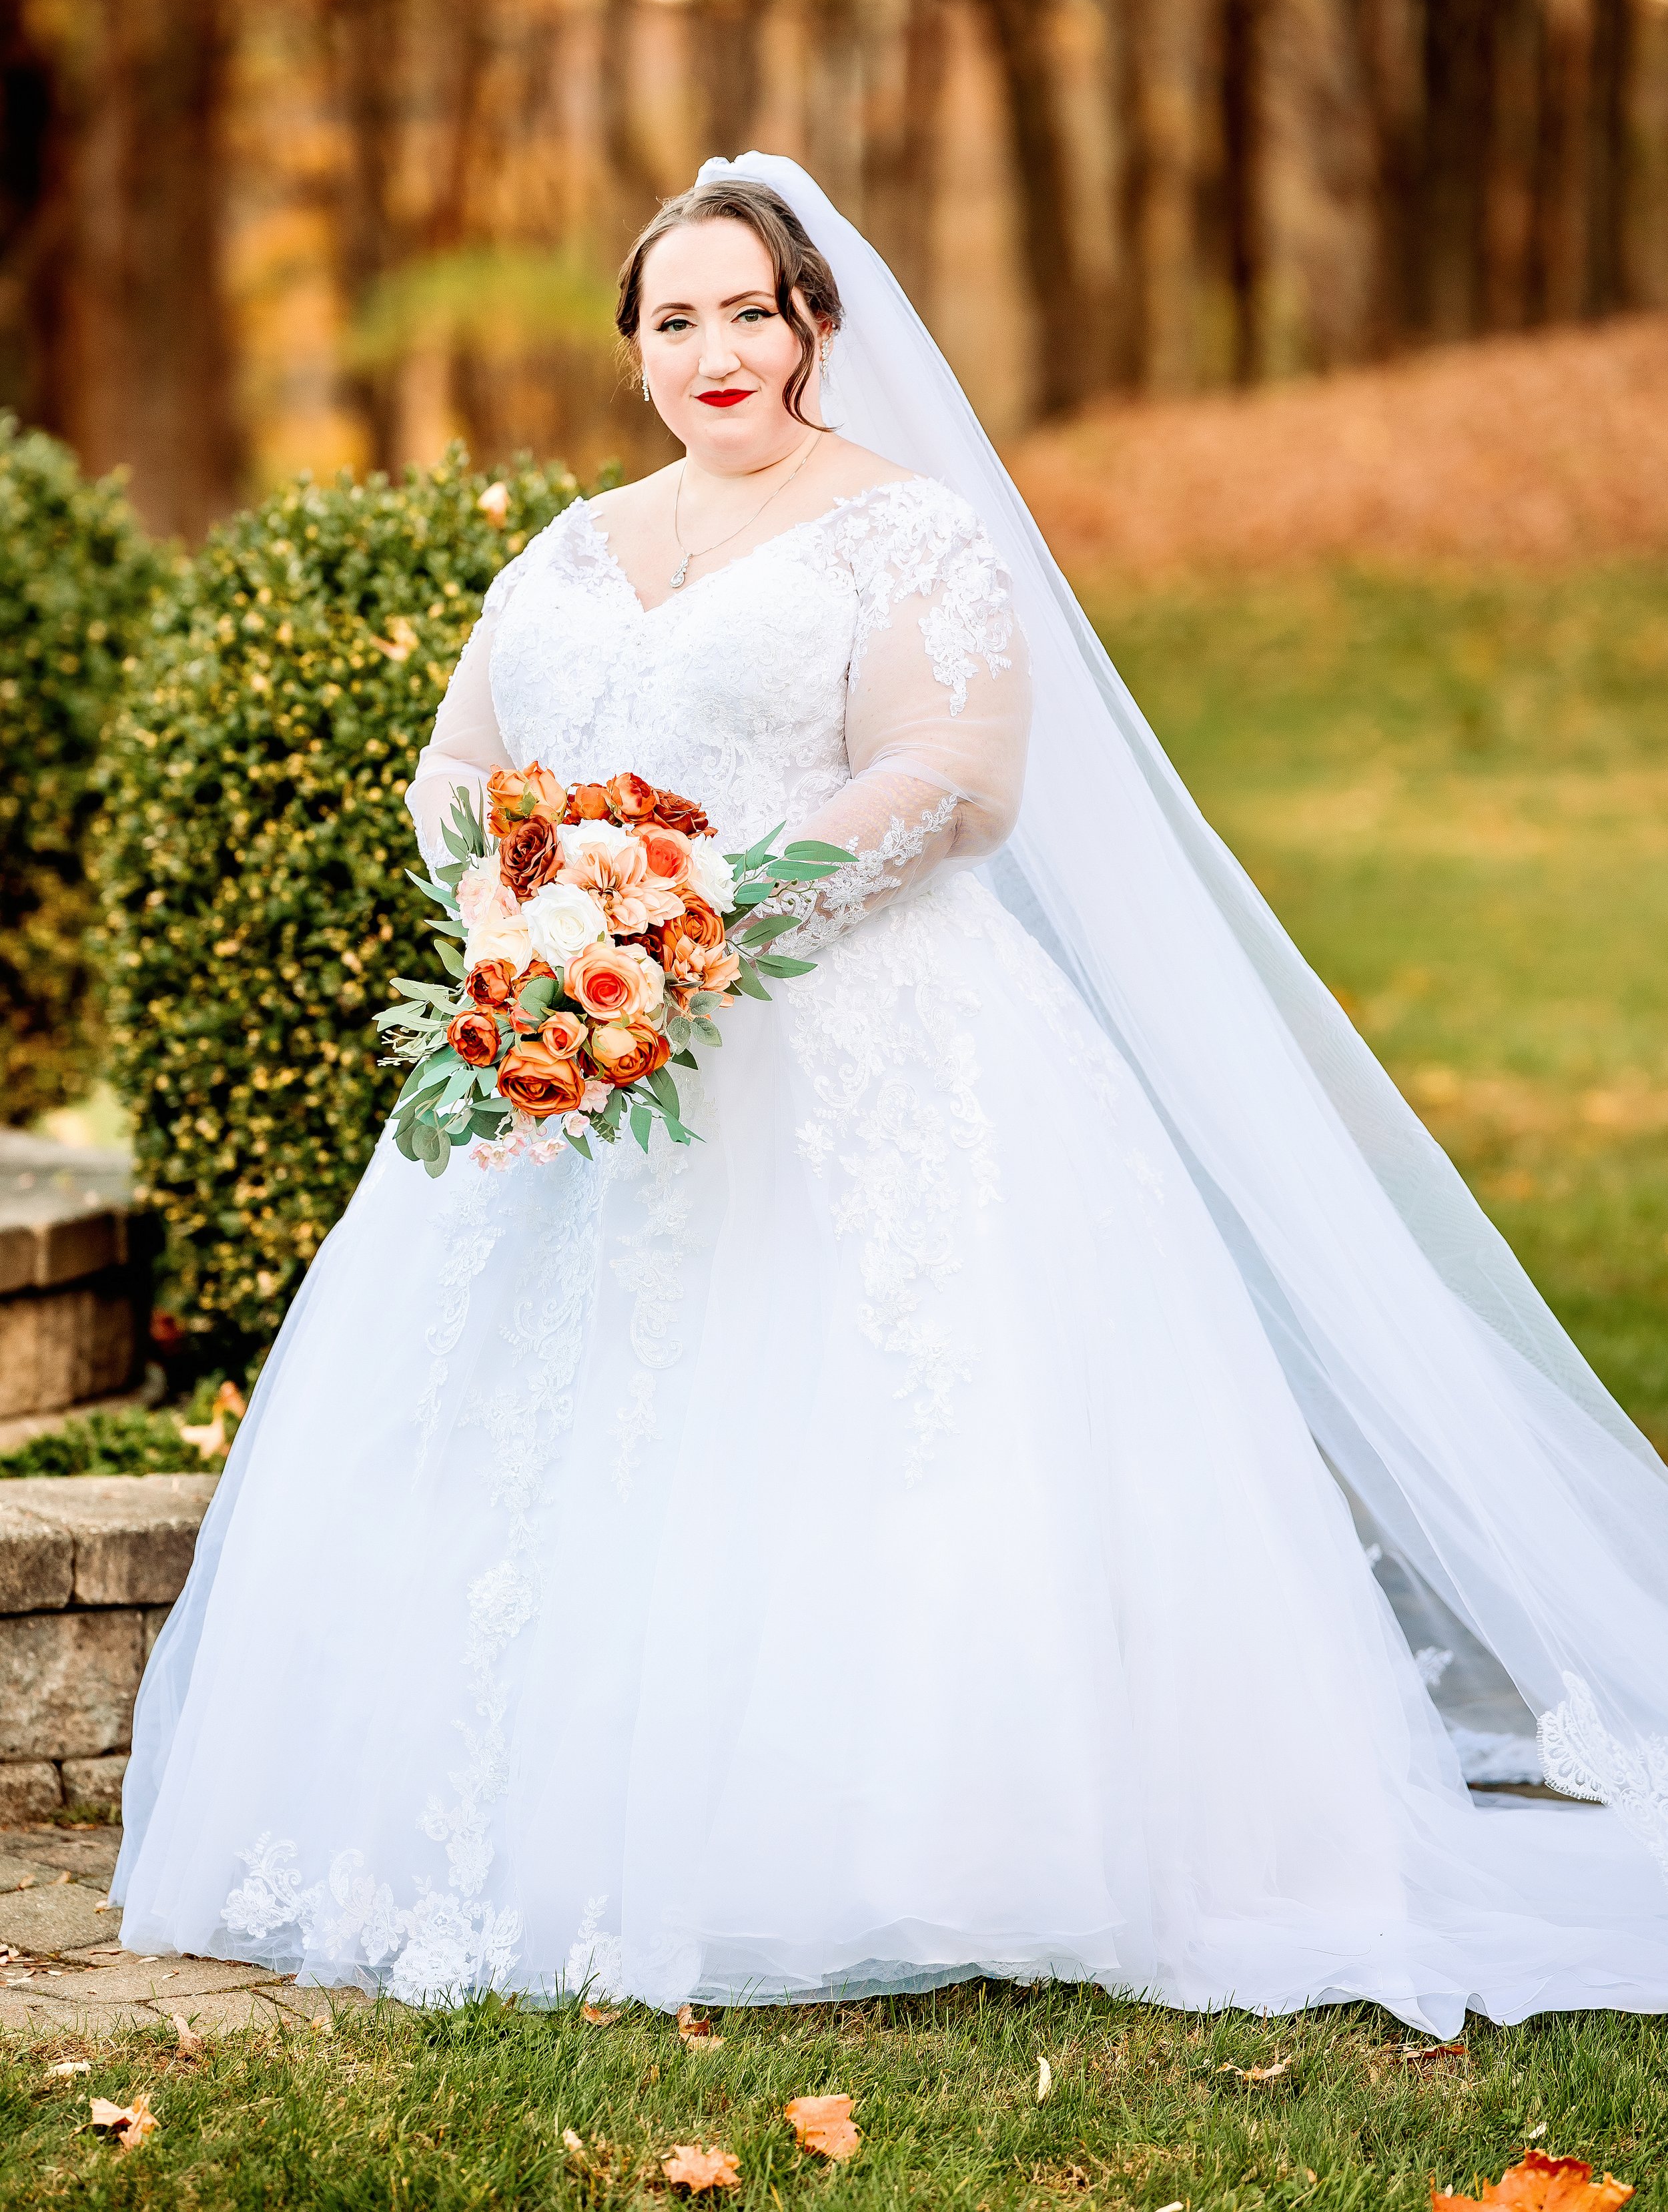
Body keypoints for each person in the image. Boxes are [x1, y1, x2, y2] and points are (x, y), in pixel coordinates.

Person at [113, 156, 1668, 2033]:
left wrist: (713, 910)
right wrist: (520, 919)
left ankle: (911, 1841)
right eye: (672, 320)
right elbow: (461, 761)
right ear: (634, 348)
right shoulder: (573, 547)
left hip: (862, 1050)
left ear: (813, 328)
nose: (712, 352)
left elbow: (955, 776)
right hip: (579, 1055)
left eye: (746, 314)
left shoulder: (905, 532)